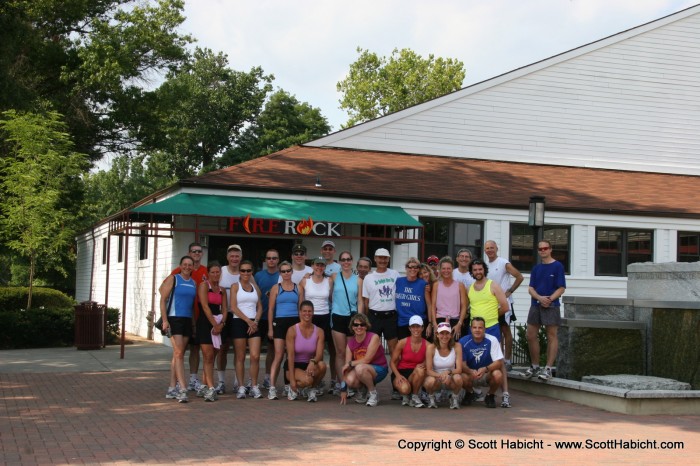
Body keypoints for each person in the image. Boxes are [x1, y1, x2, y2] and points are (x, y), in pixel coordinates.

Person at [466, 258, 512, 408]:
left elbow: (505, 306)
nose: (478, 272)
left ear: (484, 270)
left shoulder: (493, 286)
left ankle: (505, 394)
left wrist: (491, 317)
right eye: (475, 270)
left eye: (480, 269)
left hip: (491, 327)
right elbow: (468, 308)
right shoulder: (470, 288)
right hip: (473, 329)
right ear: (471, 272)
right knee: (473, 358)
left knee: (498, 362)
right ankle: (474, 391)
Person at [524, 240, 566, 382]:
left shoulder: (558, 266)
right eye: (540, 248)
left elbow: (561, 288)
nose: (542, 251)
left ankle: (547, 368)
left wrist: (549, 299)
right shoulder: (536, 268)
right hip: (536, 304)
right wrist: (539, 298)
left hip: (552, 305)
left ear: (550, 249)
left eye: (545, 248)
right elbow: (530, 288)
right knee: (530, 335)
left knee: (551, 335)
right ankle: (535, 365)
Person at [171, 242, 208, 392]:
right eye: (194, 251)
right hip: (180, 316)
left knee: (195, 348)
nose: (197, 253)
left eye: (199, 251)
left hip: (199, 316)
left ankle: (193, 379)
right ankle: (175, 384)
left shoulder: (206, 271)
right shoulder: (177, 272)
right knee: (179, 351)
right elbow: (164, 293)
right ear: (189, 252)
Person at [160, 256, 198, 403]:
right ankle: (182, 388)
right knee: (178, 353)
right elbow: (163, 299)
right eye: (185, 264)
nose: (187, 267)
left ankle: (171, 387)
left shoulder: (194, 283)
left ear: (193, 267)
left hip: (187, 320)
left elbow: (191, 306)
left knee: (178, 354)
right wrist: (165, 320)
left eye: (190, 265)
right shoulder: (173, 278)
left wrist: (193, 324)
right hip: (174, 319)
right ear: (180, 265)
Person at [484, 240, 524, 372]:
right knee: (497, 332)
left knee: (506, 330)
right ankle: (499, 360)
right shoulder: (486, 266)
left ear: (496, 248)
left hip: (504, 303)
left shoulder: (503, 262)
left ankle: (507, 360)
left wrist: (509, 292)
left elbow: (519, 276)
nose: (489, 250)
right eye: (487, 248)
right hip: (491, 304)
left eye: (492, 248)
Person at [330, 250, 363, 395]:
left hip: (352, 318)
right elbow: (330, 296)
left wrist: (360, 320)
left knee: (351, 353)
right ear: (339, 262)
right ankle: (342, 383)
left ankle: (350, 381)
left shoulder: (358, 280)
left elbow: (360, 301)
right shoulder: (334, 277)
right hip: (337, 316)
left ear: (352, 261)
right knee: (340, 352)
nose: (346, 262)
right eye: (343, 260)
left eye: (348, 259)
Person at [230, 260, 264, 399]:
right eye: (243, 270)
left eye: (248, 270)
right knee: (240, 356)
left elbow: (260, 306)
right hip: (239, 322)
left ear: (252, 272)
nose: (245, 273)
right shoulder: (235, 286)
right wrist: (248, 321)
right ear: (239, 271)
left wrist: (255, 321)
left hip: (253, 324)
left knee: (255, 356)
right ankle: (241, 386)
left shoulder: (255, 287)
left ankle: (254, 386)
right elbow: (233, 307)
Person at [299, 256, 333, 393]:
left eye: (322, 265)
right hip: (308, 317)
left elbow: (331, 298)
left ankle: (317, 378)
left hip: (324, 316)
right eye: (317, 265)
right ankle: (305, 376)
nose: (319, 267)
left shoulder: (329, 280)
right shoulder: (305, 280)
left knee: (320, 350)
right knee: (307, 348)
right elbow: (301, 302)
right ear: (312, 266)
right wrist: (300, 318)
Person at [339, 313, 388, 407]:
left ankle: (373, 394)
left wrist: (350, 363)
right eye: (356, 325)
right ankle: (363, 390)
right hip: (363, 369)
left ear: (366, 326)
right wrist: (343, 389)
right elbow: (346, 368)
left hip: (379, 369)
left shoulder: (374, 337)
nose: (359, 327)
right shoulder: (350, 343)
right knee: (350, 380)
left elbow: (367, 360)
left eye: (362, 325)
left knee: (359, 368)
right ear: (352, 327)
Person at [266, 261, 300, 399]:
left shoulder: (299, 288)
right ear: (280, 273)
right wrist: (270, 328)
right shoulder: (276, 288)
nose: (286, 273)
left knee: (291, 356)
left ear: (292, 272)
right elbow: (270, 309)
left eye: (288, 270)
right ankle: (272, 387)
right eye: (283, 271)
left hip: (294, 323)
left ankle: (288, 385)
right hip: (279, 322)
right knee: (278, 355)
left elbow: (301, 308)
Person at [195, 262, 227, 402]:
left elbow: (225, 309)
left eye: (217, 272)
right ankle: (211, 388)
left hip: (218, 324)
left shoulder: (222, 290)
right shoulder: (203, 286)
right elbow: (205, 307)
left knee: (213, 356)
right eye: (213, 272)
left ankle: (203, 385)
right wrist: (214, 324)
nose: (215, 275)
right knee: (207, 356)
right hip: (205, 323)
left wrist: (221, 324)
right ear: (208, 273)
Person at [285, 301, 328, 402]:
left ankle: (311, 389)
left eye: (309, 311)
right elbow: (290, 356)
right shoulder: (292, 330)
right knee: (308, 380)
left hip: (309, 365)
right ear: (300, 312)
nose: (307, 314)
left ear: (313, 312)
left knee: (322, 365)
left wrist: (313, 362)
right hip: (294, 366)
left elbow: (319, 355)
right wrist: (291, 380)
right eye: (304, 311)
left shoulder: (319, 331)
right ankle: (293, 387)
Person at [459, 317, 506, 408]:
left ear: (484, 329)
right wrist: (470, 371)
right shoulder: (463, 341)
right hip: (470, 374)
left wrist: (485, 369)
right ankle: (470, 393)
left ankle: (490, 395)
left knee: (498, 374)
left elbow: (499, 362)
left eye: (480, 328)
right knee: (461, 376)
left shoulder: (492, 340)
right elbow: (461, 364)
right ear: (470, 328)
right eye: (475, 327)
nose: (477, 330)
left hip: (486, 373)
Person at [216, 244, 243, 394]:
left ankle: (236, 381)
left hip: (239, 316)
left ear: (241, 257)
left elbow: (255, 291)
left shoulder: (245, 272)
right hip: (223, 315)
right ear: (227, 257)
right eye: (232, 256)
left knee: (239, 351)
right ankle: (220, 381)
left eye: (237, 256)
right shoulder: (221, 272)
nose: (234, 259)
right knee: (222, 349)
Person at [362, 248, 400, 355]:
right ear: (375, 259)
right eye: (380, 258)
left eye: (385, 258)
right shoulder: (368, 278)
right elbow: (366, 301)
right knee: (371, 348)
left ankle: (394, 372)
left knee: (394, 349)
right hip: (374, 316)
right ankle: (374, 371)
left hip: (391, 316)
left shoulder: (395, 274)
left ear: (388, 259)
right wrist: (366, 318)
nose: (382, 261)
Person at [254, 249, 280, 389]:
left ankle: (267, 378)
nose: (271, 260)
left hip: (275, 317)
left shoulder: (282, 276)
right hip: (260, 317)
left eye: (274, 258)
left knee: (272, 350)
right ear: (265, 260)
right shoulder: (258, 275)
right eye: (269, 258)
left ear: (278, 260)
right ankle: (253, 380)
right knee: (255, 352)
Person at [390, 315, 428, 408]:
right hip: (401, 372)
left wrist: (423, 364)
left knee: (420, 369)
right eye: (413, 327)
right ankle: (406, 395)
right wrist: (398, 375)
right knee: (405, 389)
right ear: (409, 328)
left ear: (422, 328)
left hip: (415, 372)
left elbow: (428, 361)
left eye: (418, 326)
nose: (416, 329)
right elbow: (392, 362)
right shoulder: (402, 342)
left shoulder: (427, 345)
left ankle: (414, 396)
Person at [423, 322, 463, 409]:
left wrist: (448, 372)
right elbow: (429, 370)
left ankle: (454, 397)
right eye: (441, 333)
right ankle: (431, 397)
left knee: (458, 378)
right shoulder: (431, 347)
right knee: (429, 381)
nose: (444, 336)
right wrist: (440, 375)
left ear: (451, 335)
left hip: (450, 378)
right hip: (436, 378)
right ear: (437, 334)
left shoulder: (457, 346)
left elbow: (459, 369)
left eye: (447, 333)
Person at [430, 256, 467, 340]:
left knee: (454, 347)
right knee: (439, 348)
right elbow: (433, 306)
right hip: (440, 319)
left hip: (455, 320)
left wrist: (459, 323)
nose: (446, 271)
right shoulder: (436, 285)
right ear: (440, 269)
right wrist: (435, 324)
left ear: (452, 269)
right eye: (443, 268)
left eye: (448, 268)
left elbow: (463, 306)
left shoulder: (460, 285)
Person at [395, 257, 430, 340]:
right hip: (402, 321)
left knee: (418, 348)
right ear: (406, 268)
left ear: (418, 269)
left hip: (418, 321)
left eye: (415, 267)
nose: (413, 269)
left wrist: (430, 323)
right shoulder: (398, 281)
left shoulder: (423, 284)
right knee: (404, 348)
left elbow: (429, 304)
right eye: (410, 267)